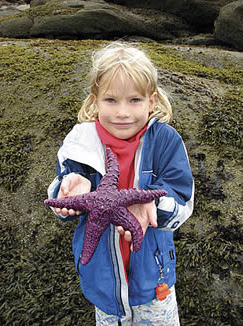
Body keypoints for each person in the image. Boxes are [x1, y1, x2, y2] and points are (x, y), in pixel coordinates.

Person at [47, 42, 194, 326]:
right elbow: (58, 198)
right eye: (111, 100)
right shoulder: (81, 144)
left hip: (154, 279)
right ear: (95, 100)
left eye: (134, 100)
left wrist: (151, 202)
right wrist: (68, 188)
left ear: (151, 101)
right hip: (103, 283)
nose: (122, 112)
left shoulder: (166, 141)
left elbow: (182, 201)